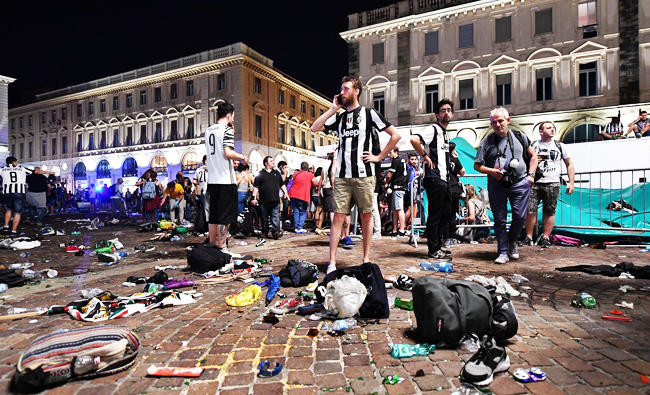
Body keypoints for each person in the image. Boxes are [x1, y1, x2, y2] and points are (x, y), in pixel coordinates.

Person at [311, 75, 401, 273]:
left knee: (366, 217)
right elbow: (314, 127)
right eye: (341, 89)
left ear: (356, 91)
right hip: (343, 177)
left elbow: (396, 135)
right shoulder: (341, 117)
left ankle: (366, 259)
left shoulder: (369, 114)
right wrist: (333, 108)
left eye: (346, 89)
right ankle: (332, 262)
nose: (342, 92)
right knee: (337, 218)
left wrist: (379, 157)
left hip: (365, 176)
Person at [474, 107, 538, 264]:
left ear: (508, 120)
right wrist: (492, 171)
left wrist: (531, 175)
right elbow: (477, 166)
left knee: (520, 217)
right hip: (496, 184)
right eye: (493, 122)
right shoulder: (486, 142)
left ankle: (511, 243)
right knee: (500, 219)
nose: (497, 125)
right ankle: (503, 251)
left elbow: (533, 156)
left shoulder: (519, 136)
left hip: (520, 182)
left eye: (500, 121)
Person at [410, 98, 454, 260]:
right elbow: (414, 139)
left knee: (446, 213)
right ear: (437, 115)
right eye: (443, 110)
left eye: (449, 110)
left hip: (444, 179)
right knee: (436, 215)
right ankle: (433, 249)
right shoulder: (433, 129)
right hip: (434, 178)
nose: (446, 113)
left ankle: (438, 246)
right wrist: (424, 156)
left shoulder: (445, 133)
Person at [523, 121, 575, 247]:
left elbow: (569, 164)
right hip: (535, 183)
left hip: (552, 182)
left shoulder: (560, 146)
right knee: (530, 210)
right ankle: (528, 237)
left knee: (549, 210)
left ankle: (546, 237)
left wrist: (571, 182)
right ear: (541, 131)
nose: (552, 130)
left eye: (553, 128)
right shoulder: (533, 145)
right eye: (548, 128)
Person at [205, 100, 247, 249]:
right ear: (229, 116)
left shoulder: (208, 130)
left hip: (212, 180)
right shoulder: (226, 130)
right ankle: (222, 247)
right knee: (224, 217)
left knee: (214, 216)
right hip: (225, 179)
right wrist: (242, 157)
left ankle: (211, 246)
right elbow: (228, 152)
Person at [0, 156, 53, 234]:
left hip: (7, 192)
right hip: (19, 192)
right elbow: (36, 171)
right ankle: (14, 230)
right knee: (17, 212)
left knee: (9, 209)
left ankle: (6, 226)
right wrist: (49, 172)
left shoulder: (2, 169)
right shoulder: (21, 168)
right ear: (14, 162)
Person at [252, 156, 286, 239]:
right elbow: (256, 187)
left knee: (275, 217)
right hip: (264, 201)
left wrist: (286, 193)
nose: (273, 162)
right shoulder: (260, 174)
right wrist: (254, 198)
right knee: (264, 217)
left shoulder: (276, 173)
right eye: (271, 161)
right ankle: (265, 231)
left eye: (273, 161)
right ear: (266, 163)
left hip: (275, 200)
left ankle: (276, 232)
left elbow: (282, 184)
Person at [384, 147, 408, 237]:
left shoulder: (396, 160)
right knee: (394, 209)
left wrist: (385, 182)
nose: (388, 155)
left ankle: (401, 229)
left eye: (390, 152)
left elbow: (389, 175)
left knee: (399, 209)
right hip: (397, 187)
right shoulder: (402, 160)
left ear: (396, 152)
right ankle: (395, 229)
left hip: (398, 187)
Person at [288, 161, 318, 233]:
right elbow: (316, 183)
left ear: (300, 167)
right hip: (303, 195)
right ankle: (299, 227)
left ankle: (296, 227)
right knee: (303, 211)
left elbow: (290, 183)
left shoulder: (295, 174)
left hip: (293, 194)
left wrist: (286, 193)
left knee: (296, 211)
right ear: (307, 168)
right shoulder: (310, 175)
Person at [446, 142, 465, 246]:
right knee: (452, 214)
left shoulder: (441, 159)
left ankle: (446, 237)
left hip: (444, 187)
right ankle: (451, 237)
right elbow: (462, 172)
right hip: (454, 188)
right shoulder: (454, 159)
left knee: (445, 214)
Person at [316, 153, 336, 234]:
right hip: (330, 188)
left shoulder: (325, 165)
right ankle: (334, 228)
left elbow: (321, 179)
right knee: (332, 210)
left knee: (324, 209)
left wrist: (319, 190)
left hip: (324, 189)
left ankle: (319, 226)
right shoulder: (333, 165)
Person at [193, 156, 209, 222]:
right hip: (210, 190)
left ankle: (206, 223)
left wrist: (199, 184)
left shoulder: (198, 170)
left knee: (205, 208)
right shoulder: (212, 169)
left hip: (202, 191)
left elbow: (194, 181)